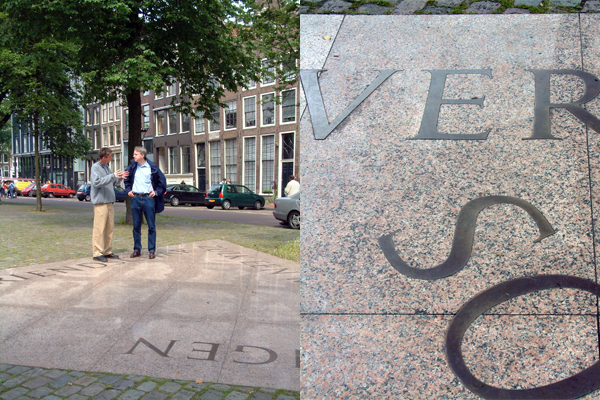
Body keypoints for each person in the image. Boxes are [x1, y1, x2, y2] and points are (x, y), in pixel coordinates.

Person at [124, 146, 167, 260]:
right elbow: (126, 179)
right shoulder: (133, 166)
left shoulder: (152, 167)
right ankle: (137, 249)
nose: (134, 156)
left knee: (151, 226)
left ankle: (151, 250)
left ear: (142, 155)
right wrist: (128, 190)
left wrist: (156, 192)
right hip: (136, 198)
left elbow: (162, 182)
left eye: (136, 154)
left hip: (148, 199)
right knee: (136, 226)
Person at [91, 147, 128, 262]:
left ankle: (107, 251)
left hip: (110, 202)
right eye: (110, 156)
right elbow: (97, 183)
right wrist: (112, 176)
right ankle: (97, 252)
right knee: (99, 228)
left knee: (109, 228)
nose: (111, 157)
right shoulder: (95, 168)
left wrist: (118, 178)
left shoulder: (107, 167)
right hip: (101, 203)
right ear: (104, 157)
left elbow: (110, 182)